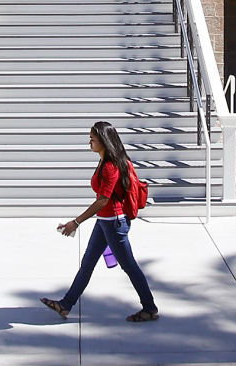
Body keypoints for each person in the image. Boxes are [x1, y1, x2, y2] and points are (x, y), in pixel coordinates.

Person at [42, 120, 159, 323]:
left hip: (114, 223)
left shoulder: (110, 167)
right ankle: (65, 305)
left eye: (92, 139)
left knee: (129, 266)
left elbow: (103, 199)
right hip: (105, 221)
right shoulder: (105, 160)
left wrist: (76, 222)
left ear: (103, 141)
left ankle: (149, 308)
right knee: (87, 264)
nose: (89, 142)